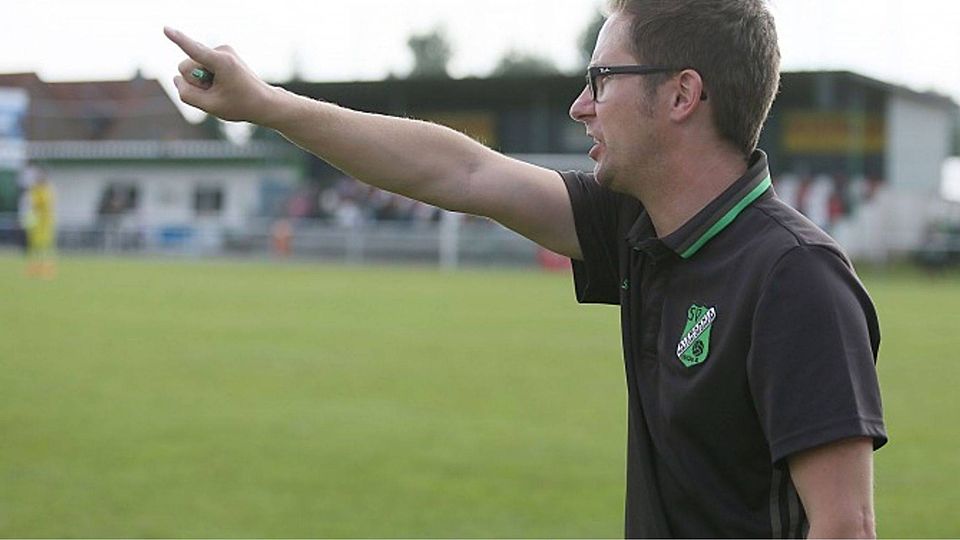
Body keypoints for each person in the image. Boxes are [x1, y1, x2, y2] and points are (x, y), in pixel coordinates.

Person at [165, 0, 886, 536]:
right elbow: (463, 173)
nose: (580, 106)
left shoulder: (795, 275)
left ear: (681, 94)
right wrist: (266, 104)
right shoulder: (640, 226)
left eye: (601, 79)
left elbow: (845, 527)